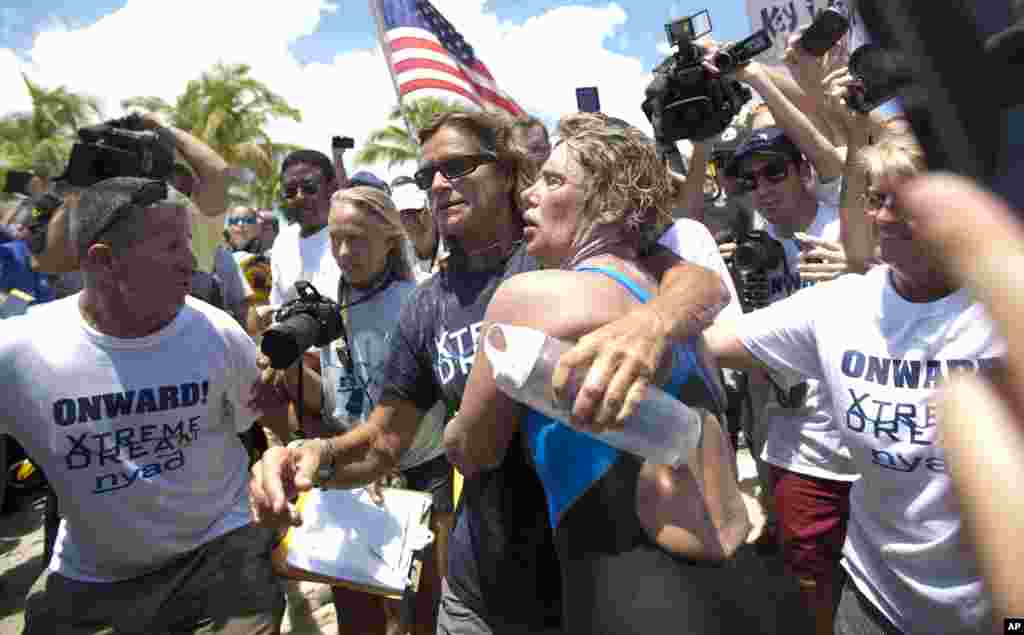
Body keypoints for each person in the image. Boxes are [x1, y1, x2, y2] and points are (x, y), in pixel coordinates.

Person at [248, 110, 732, 635]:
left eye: (456, 166)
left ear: (505, 172)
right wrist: (311, 456)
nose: (437, 184)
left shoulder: (560, 256)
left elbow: (698, 282)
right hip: (483, 581)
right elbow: (386, 439)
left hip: (585, 580)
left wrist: (649, 325)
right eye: (427, 172)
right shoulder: (427, 304)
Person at [443, 112, 750, 634]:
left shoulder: (530, 298)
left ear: (609, 203)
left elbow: (474, 451)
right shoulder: (672, 306)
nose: (529, 195)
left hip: (624, 595)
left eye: (554, 180)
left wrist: (451, 429)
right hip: (730, 592)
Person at [706, 132, 1002, 634]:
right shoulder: (840, 305)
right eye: (876, 199)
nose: (885, 216)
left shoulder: (1003, 309)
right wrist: (677, 284)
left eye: (905, 199)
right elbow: (713, 342)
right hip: (875, 603)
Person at [1, 177, 286, 634]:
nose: (190, 264)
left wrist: (274, 458)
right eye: (172, 247)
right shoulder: (20, 351)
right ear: (103, 260)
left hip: (219, 553)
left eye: (187, 245)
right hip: (92, 575)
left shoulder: (215, 332)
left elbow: (271, 420)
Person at [260, 186, 451, 634]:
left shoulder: (421, 301)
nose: (345, 252)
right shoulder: (324, 305)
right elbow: (327, 398)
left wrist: (383, 455)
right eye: (335, 239)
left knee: (422, 610)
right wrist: (284, 371)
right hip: (345, 470)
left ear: (390, 237)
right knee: (357, 618)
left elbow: (436, 397)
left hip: (419, 472)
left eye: (358, 239)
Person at [718, 126, 859, 634]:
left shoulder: (846, 228)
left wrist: (863, 265)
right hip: (795, 440)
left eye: (775, 170)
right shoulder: (749, 247)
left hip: (865, 445)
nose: (764, 187)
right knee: (811, 581)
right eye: (751, 180)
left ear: (804, 170)